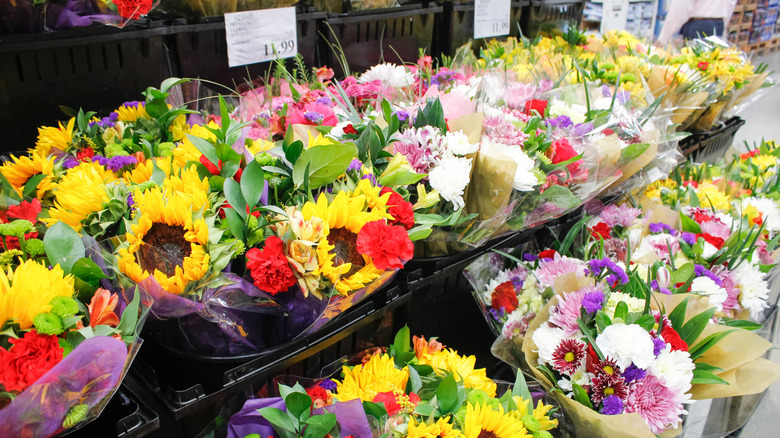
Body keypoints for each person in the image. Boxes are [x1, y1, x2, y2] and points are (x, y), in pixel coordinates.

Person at [657, 0, 738, 45]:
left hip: (697, 26)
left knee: (690, 69)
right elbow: (731, 5)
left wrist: (662, 38)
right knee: (710, 67)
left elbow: (681, 7)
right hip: (718, 24)